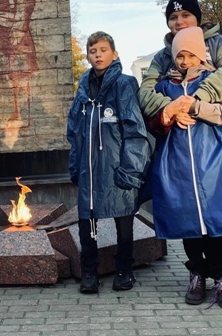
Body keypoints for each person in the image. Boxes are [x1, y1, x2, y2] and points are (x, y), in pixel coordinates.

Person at [137, 0, 222, 303]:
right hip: (184, 146)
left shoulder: (220, 44)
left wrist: (198, 98)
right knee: (191, 208)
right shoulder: (164, 55)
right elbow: (145, 91)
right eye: (173, 17)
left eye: (185, 16)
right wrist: (172, 108)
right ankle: (205, 273)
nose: (179, 22)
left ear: (197, 16)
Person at [147, 26, 222, 308]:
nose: (185, 61)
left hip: (213, 163)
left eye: (191, 55)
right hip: (179, 166)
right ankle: (197, 274)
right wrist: (170, 111)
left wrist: (196, 108)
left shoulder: (215, 80)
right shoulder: (165, 87)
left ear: (200, 54)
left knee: (219, 223)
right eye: (180, 56)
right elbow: (152, 118)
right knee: (190, 224)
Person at [66, 31, 151, 294]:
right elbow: (74, 131)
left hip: (117, 166)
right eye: (93, 51)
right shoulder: (82, 90)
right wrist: (74, 165)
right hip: (89, 168)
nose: (98, 55)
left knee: (124, 220)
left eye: (103, 50)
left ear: (114, 54)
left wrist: (131, 168)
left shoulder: (124, 84)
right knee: (86, 222)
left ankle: (124, 269)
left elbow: (135, 130)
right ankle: (89, 272)